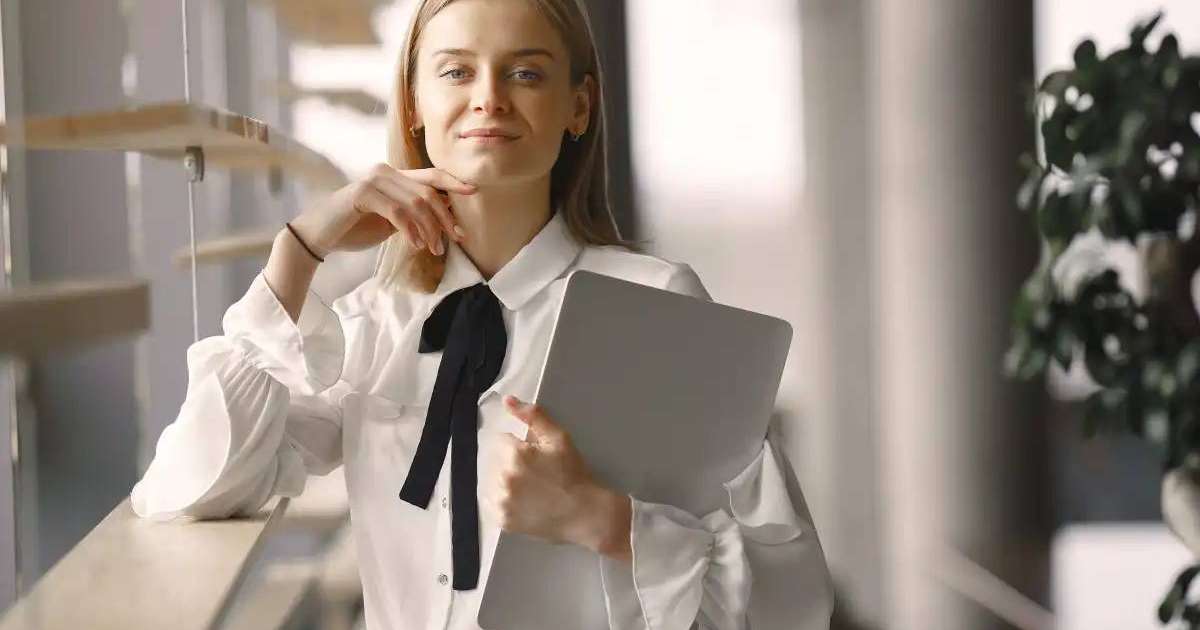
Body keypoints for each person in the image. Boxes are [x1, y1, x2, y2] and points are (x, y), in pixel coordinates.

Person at [129, 0, 834, 628]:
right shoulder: (371, 325)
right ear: (412, 105)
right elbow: (188, 489)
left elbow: (789, 596)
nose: (489, 99)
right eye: (457, 72)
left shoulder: (658, 301)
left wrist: (602, 520)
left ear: (578, 107)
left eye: (525, 73)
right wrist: (300, 247)